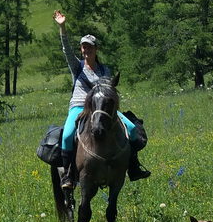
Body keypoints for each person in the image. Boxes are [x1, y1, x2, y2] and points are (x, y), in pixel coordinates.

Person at [54, 10, 150, 188]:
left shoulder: (105, 70)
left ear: (96, 49)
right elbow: (66, 49)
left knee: (131, 129)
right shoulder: (77, 67)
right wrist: (62, 27)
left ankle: (133, 167)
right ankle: (67, 175)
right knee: (67, 136)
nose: (86, 50)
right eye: (83, 47)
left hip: (103, 108)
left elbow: (110, 93)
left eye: (89, 47)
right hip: (79, 108)